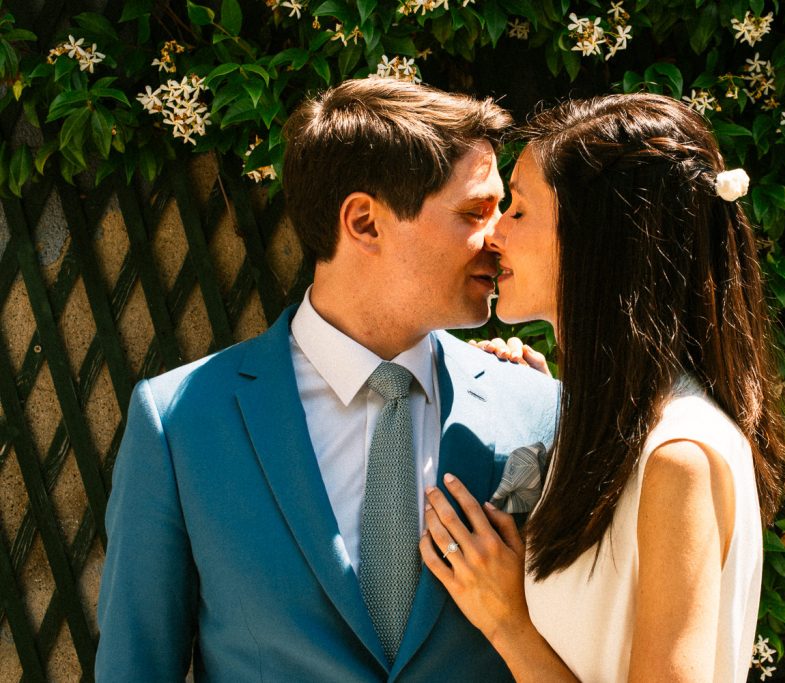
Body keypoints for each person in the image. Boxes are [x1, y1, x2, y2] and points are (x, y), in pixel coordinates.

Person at [95, 79, 559, 681]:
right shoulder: (181, 422)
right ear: (364, 223)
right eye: (475, 212)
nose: (499, 237)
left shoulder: (535, 405)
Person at [419, 93, 785, 682]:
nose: (493, 234)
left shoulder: (680, 459)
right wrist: (563, 415)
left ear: (598, 239)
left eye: (518, 211)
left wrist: (506, 622)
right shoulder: (631, 435)